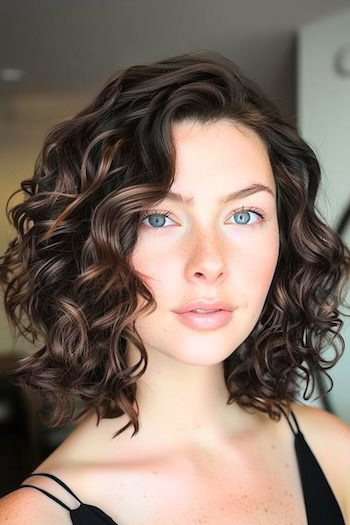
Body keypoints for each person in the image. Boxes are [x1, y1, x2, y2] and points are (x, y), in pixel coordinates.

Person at [0, 50, 349, 525]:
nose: (209, 262)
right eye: (158, 218)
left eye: (244, 216)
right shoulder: (34, 518)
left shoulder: (334, 453)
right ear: (92, 248)